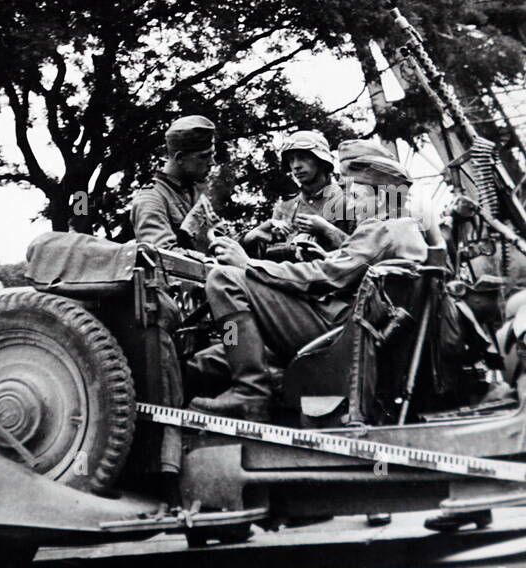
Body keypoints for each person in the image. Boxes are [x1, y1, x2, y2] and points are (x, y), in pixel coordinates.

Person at [191, 143, 429, 417]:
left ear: (383, 197)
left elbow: (326, 277)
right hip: (351, 326)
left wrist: (249, 264)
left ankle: (250, 391)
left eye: (357, 196)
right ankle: (245, 372)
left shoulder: (382, 228)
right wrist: (328, 256)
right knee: (215, 356)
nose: (350, 204)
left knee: (224, 280)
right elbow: (344, 267)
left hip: (338, 329)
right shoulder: (404, 229)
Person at [243, 129, 351, 258]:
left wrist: (327, 230)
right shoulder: (285, 207)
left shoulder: (348, 201)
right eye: (291, 160)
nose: (296, 166)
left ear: (321, 160)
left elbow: (368, 254)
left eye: (303, 157)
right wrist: (252, 237)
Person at [131, 115, 217, 253]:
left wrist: (248, 239)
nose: (212, 162)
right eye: (204, 156)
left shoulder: (196, 193)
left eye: (212, 155)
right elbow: (163, 256)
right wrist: (216, 263)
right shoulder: (151, 199)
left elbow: (220, 242)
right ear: (180, 158)